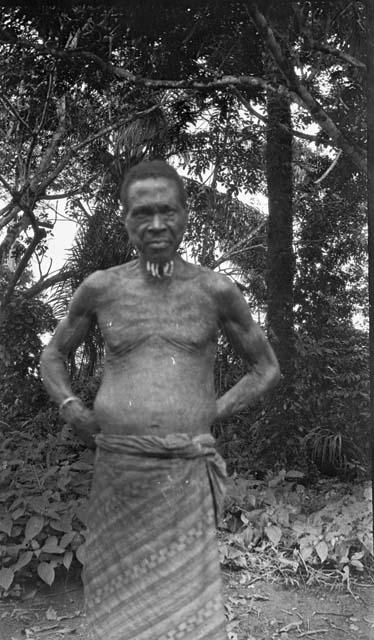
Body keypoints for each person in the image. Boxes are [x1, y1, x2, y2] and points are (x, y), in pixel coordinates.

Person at [40, 159, 280, 640]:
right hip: (119, 469)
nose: (155, 225)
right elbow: (52, 356)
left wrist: (213, 410)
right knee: (116, 596)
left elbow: (266, 367)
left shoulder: (214, 291)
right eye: (141, 212)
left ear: (186, 214)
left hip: (184, 471)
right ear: (125, 218)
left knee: (185, 603)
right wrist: (72, 408)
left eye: (167, 211)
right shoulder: (102, 288)